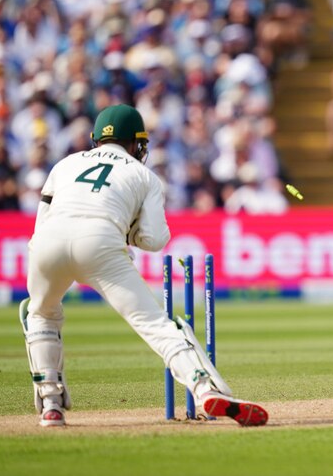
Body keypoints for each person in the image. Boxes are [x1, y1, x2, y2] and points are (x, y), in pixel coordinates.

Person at [20, 104, 269, 427]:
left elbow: (42, 223)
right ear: (136, 143)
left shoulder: (64, 165)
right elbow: (154, 240)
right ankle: (204, 388)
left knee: (40, 313)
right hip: (101, 244)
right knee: (157, 325)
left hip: (46, 244)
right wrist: (127, 230)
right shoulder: (143, 175)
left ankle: (50, 405)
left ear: (97, 139)